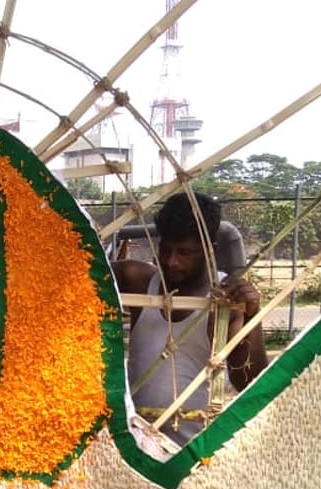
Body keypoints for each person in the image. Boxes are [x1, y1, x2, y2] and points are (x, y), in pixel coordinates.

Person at [114, 191, 269, 446]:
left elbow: (249, 383)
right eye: (165, 250)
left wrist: (252, 315)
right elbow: (80, 272)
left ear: (210, 251)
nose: (172, 262)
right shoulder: (137, 281)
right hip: (136, 445)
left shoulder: (225, 302)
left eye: (185, 252)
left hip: (193, 451)